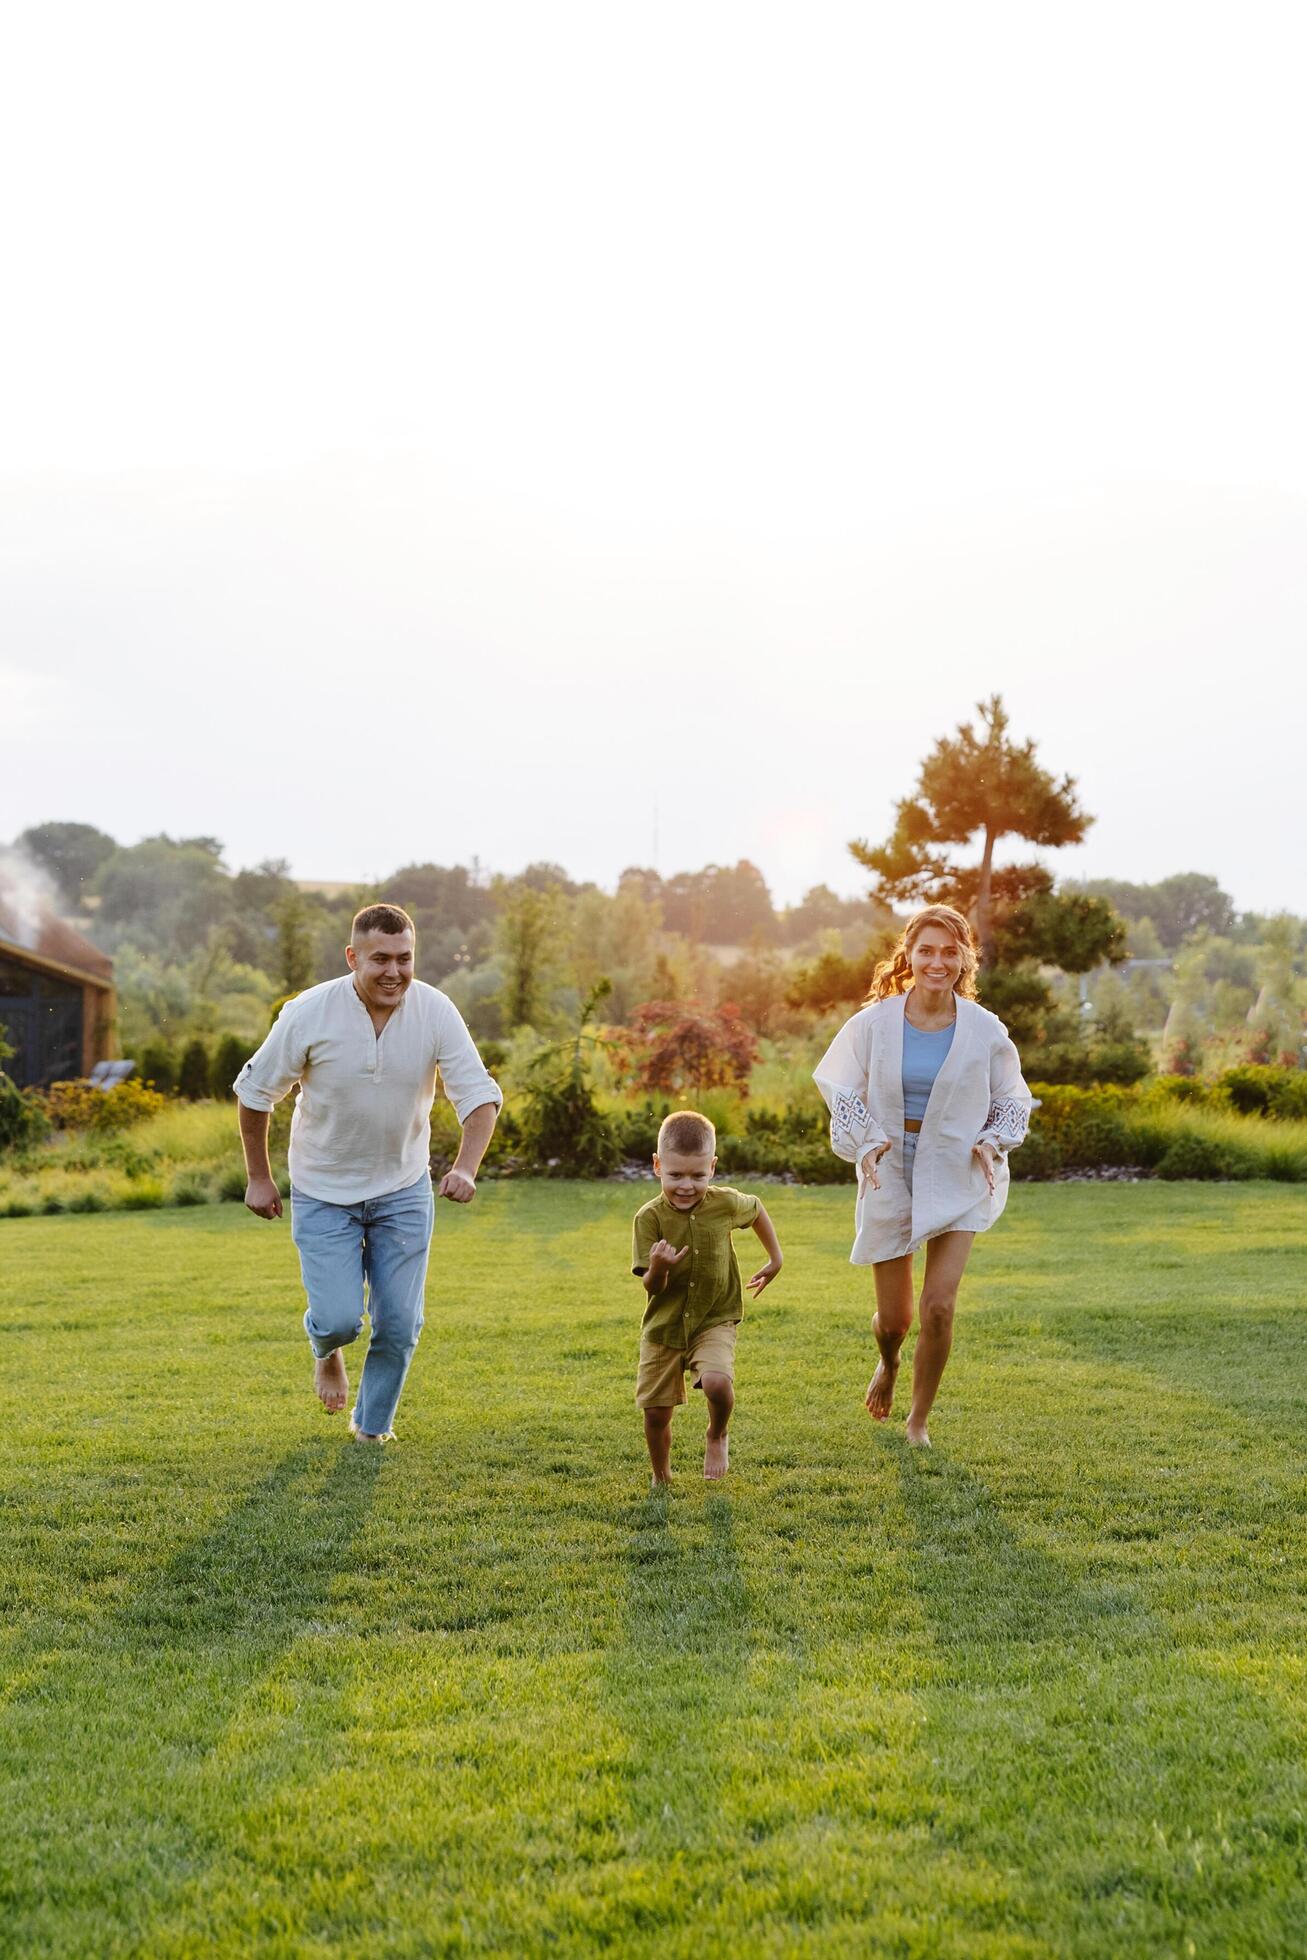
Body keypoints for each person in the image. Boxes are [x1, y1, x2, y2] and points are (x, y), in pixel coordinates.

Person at [234, 902, 501, 1443]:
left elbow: (479, 1097)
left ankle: (371, 1430)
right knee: (336, 1318)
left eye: (405, 959)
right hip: (322, 1190)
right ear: (353, 956)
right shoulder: (309, 1012)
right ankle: (326, 1348)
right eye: (380, 958)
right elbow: (255, 1093)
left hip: (402, 1189)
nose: (394, 972)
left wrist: (467, 1168)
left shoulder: (435, 1010)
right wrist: (259, 1177)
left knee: (400, 1325)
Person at [813, 904, 1031, 1448]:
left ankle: (917, 1422)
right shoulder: (874, 1023)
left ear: (964, 959)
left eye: (949, 951)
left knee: (938, 1307)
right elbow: (835, 1082)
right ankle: (887, 1362)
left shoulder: (984, 1030)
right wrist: (865, 1136)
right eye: (926, 950)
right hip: (892, 1168)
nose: (938, 961)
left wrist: (992, 1138)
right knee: (895, 1319)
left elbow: (1012, 1096)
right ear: (908, 956)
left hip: (957, 1168)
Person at [631, 1109, 783, 1485]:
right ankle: (661, 1477)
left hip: (715, 1317)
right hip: (664, 1326)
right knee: (656, 1413)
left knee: (717, 1383)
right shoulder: (648, 1219)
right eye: (675, 1175)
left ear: (712, 1168)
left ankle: (717, 1433)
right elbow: (651, 1287)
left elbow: (757, 1208)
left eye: (698, 1175)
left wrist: (775, 1258)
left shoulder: (725, 1203)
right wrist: (659, 1268)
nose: (686, 1185)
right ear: (657, 1166)